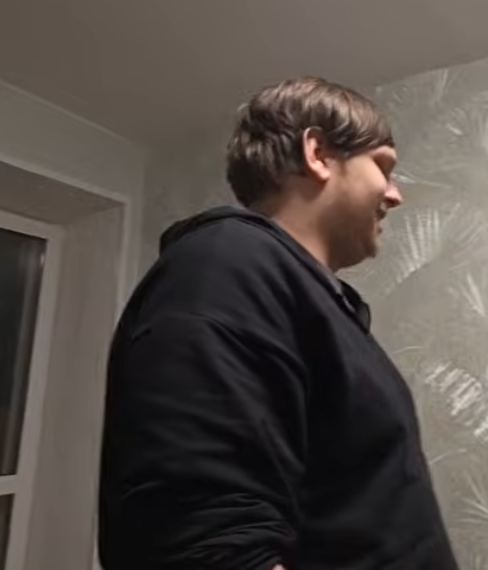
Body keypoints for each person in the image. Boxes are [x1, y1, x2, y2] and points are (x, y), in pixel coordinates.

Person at [98, 77, 459, 570]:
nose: (395, 195)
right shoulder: (225, 264)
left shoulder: (310, 298)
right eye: (384, 167)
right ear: (318, 153)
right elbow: (204, 542)